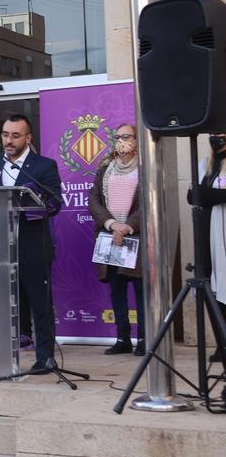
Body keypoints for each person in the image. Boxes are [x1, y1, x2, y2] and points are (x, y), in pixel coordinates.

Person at [0, 114, 63, 370]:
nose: (9, 140)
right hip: (0, 246)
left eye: (15, 135)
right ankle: (0, 356)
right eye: (5, 134)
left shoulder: (44, 166)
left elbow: (55, 203)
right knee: (4, 304)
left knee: (40, 304)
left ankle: (45, 358)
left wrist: (38, 204)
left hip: (32, 245)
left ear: (28, 138)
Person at [88, 124, 144, 356]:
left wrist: (128, 226)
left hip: (136, 237)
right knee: (116, 289)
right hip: (110, 236)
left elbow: (148, 203)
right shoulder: (105, 169)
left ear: (136, 141)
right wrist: (112, 225)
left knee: (141, 290)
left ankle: (144, 339)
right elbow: (94, 200)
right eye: (118, 136)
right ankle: (123, 338)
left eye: (126, 137)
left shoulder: (145, 168)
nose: (121, 141)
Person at [198, 133, 226, 362]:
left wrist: (208, 195)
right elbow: (192, 195)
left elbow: (204, 194)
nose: (218, 140)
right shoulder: (206, 165)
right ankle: (221, 344)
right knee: (212, 287)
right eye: (214, 136)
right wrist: (211, 196)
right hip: (208, 234)